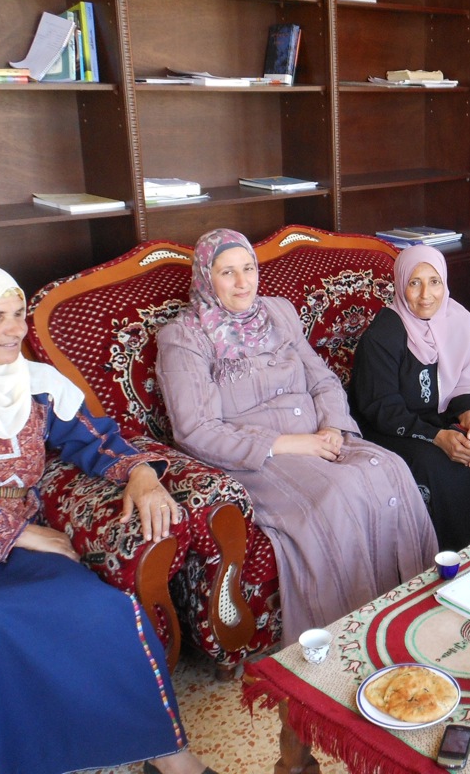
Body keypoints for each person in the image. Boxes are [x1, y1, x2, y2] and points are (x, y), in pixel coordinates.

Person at [0, 260, 216, 774]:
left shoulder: (35, 385)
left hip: (14, 544)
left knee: (105, 610)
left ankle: (170, 758)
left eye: (18, 314)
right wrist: (17, 534)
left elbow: (93, 442)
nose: (14, 330)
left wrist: (141, 475)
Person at [156, 229, 438, 641]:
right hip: (261, 461)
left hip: (318, 437)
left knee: (389, 469)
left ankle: (411, 610)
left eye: (248, 269)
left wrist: (333, 427)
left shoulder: (278, 313)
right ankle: (347, 638)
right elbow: (195, 430)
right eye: (227, 272)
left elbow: (321, 378)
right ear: (205, 278)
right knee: (337, 494)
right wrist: (289, 444)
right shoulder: (184, 338)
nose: (243, 282)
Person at [350, 244, 470, 549]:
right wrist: (437, 437)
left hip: (442, 416)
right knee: (436, 466)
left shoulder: (457, 318)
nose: (426, 295)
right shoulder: (383, 334)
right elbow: (380, 407)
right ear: (400, 285)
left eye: (434, 282)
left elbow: (465, 378)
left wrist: (468, 415)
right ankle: (448, 562)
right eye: (415, 282)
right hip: (392, 426)